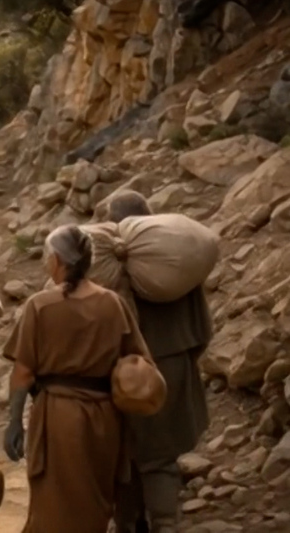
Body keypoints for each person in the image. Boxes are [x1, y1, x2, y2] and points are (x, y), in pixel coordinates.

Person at [3, 225, 154, 533]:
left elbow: (23, 372)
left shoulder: (40, 306)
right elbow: (139, 364)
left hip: (57, 418)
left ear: (58, 260)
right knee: (95, 503)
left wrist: (15, 421)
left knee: (52, 505)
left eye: (48, 257)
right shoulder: (113, 303)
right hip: (104, 419)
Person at [105, 192, 212, 533]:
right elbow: (203, 329)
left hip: (120, 375)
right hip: (173, 364)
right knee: (162, 459)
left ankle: (127, 523)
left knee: (126, 459)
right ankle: (165, 522)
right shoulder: (174, 266)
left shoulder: (107, 267)